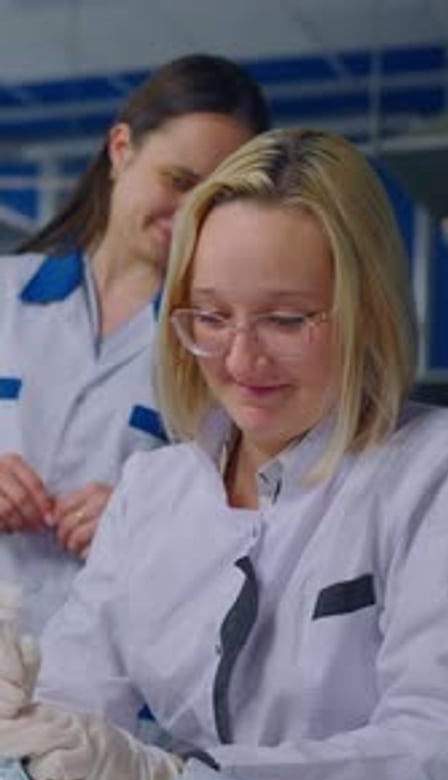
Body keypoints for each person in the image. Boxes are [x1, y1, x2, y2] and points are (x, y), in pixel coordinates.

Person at [0, 128, 448, 780]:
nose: (239, 358)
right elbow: (81, 702)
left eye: (287, 319)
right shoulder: (154, 487)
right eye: (210, 315)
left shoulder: (442, 467)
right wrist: (24, 725)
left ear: (369, 310)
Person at [0, 53, 269, 635]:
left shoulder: (230, 348)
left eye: (218, 194)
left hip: (121, 678)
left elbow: (264, 523)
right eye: (178, 181)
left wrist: (153, 521)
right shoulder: (5, 294)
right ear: (121, 150)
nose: (192, 209)